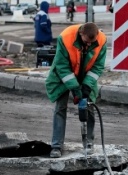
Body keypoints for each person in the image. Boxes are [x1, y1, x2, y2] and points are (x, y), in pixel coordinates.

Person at [45, 22, 107, 158]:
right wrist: (75, 89)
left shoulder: (102, 40)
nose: (89, 45)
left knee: (89, 106)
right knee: (60, 107)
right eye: (87, 42)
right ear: (81, 34)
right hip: (64, 76)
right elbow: (62, 66)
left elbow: (98, 67)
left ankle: (88, 143)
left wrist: (86, 86)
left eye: (93, 42)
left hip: (86, 74)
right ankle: (56, 146)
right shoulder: (66, 37)